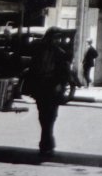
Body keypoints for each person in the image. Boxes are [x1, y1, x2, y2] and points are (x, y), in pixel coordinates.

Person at [25, 27, 71, 156]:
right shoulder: (39, 49)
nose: (56, 40)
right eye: (54, 37)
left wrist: (59, 85)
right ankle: (47, 140)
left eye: (58, 38)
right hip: (41, 85)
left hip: (52, 86)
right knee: (43, 115)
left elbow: (64, 73)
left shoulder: (60, 53)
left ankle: (46, 141)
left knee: (50, 116)